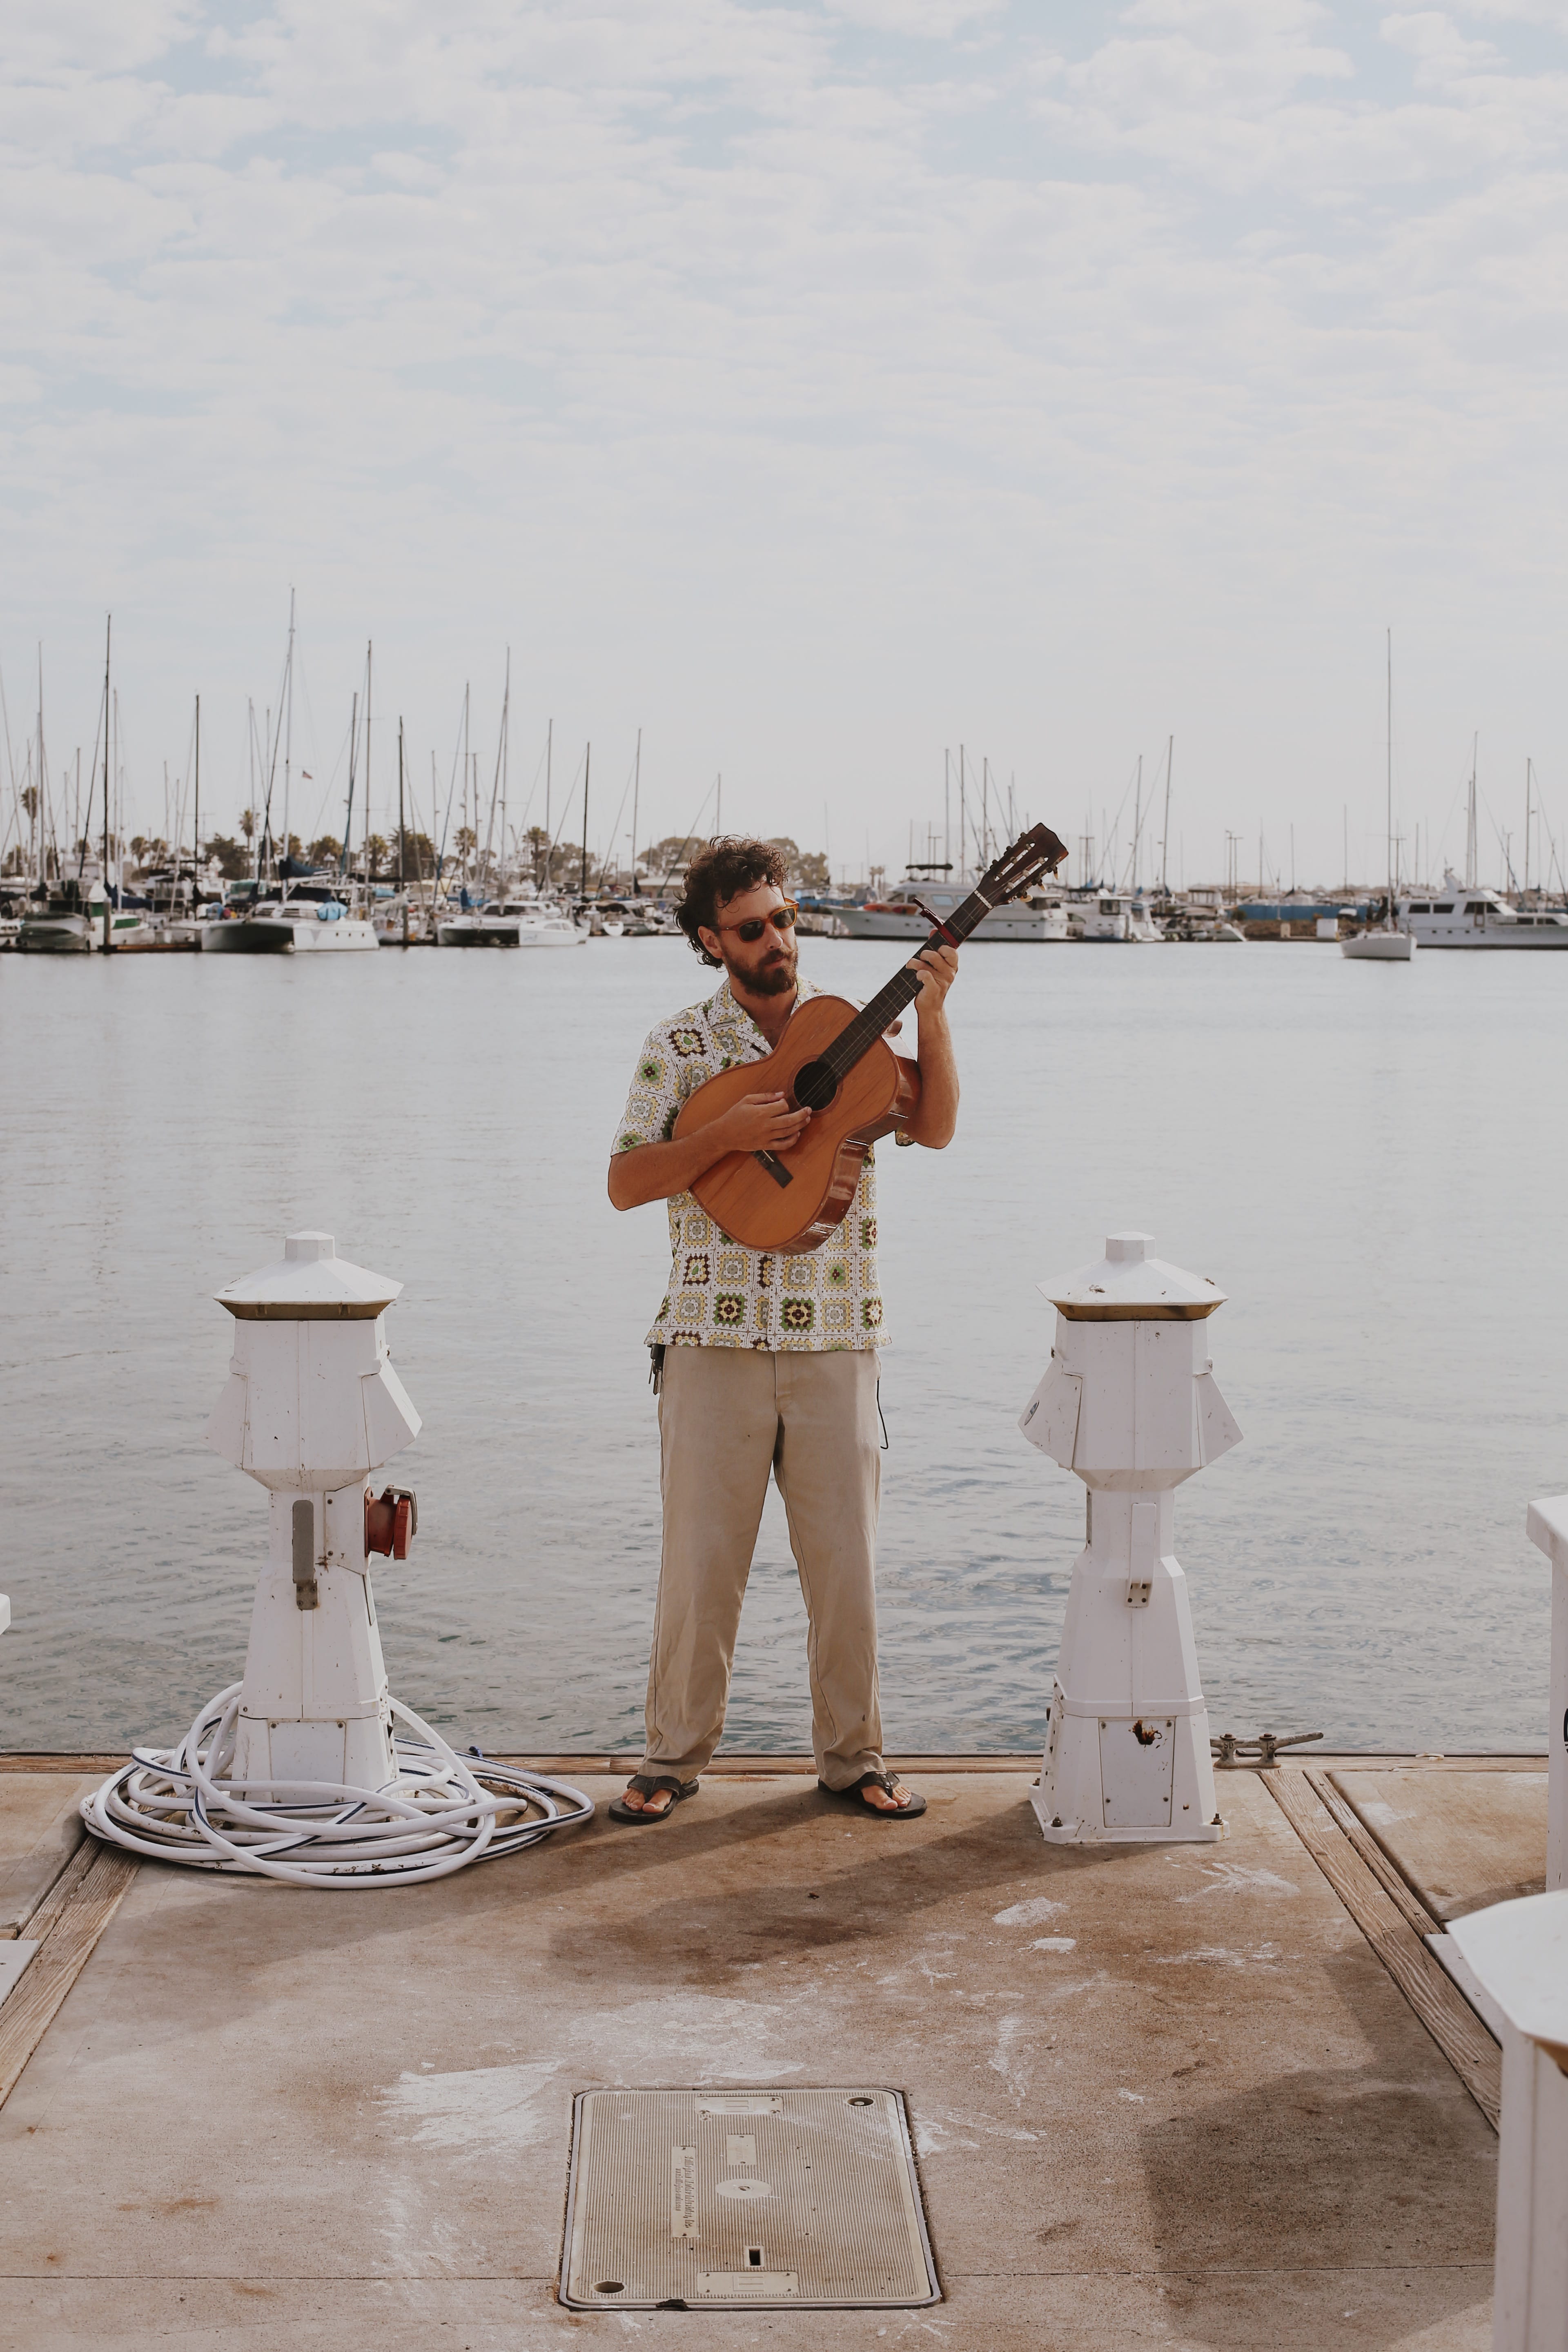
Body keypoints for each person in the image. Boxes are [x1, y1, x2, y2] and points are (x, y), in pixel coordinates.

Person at [605, 836, 960, 1824]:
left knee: (847, 1566)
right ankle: (671, 1758)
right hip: (710, 1335)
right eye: (754, 927)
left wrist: (931, 1016)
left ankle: (858, 1759)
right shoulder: (677, 1047)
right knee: (699, 1566)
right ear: (711, 939)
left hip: (836, 1336)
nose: (779, 940)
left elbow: (930, 1125)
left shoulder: (847, 1033)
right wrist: (722, 1139)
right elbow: (625, 1181)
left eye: (787, 919)